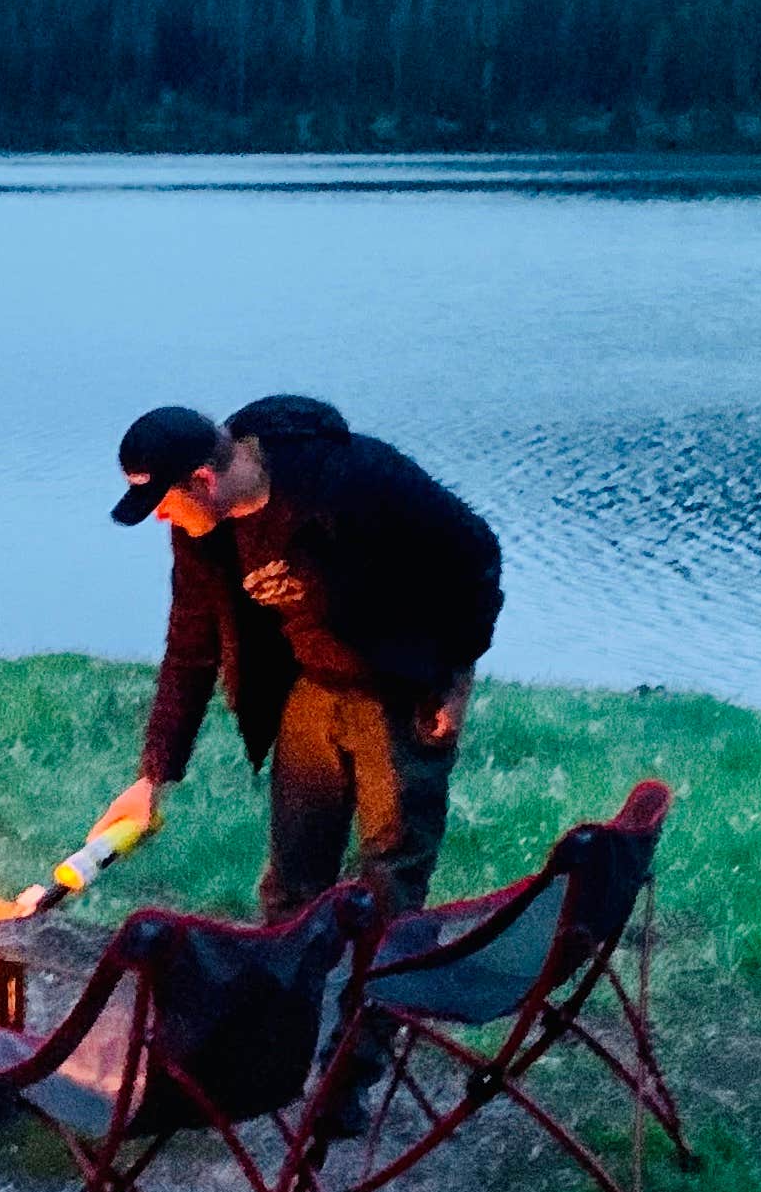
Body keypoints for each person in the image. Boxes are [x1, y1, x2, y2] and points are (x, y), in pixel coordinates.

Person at [97, 394, 503, 928]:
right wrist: (153, 777)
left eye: (164, 502)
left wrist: (458, 673)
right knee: (292, 878)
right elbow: (191, 645)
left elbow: (475, 551)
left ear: (203, 480)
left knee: (389, 875)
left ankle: (371, 1006)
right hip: (310, 685)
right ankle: (289, 999)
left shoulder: (352, 478)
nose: (161, 518)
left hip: (400, 689)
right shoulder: (201, 534)